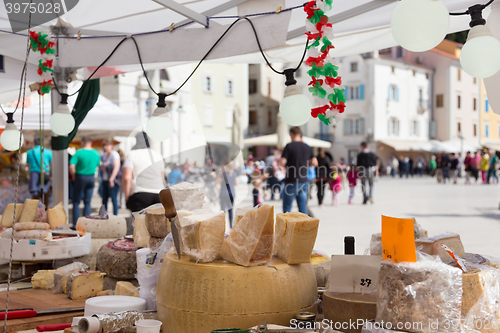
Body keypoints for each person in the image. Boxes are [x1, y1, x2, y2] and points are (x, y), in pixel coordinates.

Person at [122, 132, 165, 213]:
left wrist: (127, 197)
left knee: (140, 223)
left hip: (140, 194)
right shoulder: (157, 155)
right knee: (156, 223)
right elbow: (162, 175)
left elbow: (127, 178)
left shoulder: (132, 154)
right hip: (158, 194)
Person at [280, 127, 318, 214]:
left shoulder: (289, 146)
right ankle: (304, 227)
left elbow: (282, 162)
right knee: (302, 208)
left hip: (291, 180)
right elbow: (315, 163)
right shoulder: (307, 147)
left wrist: (288, 167)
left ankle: (287, 227)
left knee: (287, 209)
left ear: (291, 134)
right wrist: (305, 167)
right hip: (303, 181)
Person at [70, 137, 101, 226]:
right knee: (87, 202)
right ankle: (86, 223)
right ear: (90, 143)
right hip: (91, 177)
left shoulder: (79, 152)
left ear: (82, 142)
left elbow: (72, 166)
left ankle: (76, 223)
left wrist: (73, 176)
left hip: (80, 176)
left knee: (76, 201)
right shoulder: (96, 153)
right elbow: (98, 165)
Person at [26, 137, 52, 205]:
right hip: (45, 175)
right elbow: (51, 164)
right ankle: (46, 214)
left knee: (35, 200)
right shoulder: (48, 152)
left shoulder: (29, 153)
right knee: (46, 199)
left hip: (34, 175)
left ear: (34, 143)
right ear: (42, 143)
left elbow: (28, 165)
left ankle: (36, 214)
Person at [100, 140, 121, 216]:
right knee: (104, 199)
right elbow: (103, 168)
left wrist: (111, 179)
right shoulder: (104, 155)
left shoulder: (114, 155)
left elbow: (117, 167)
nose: (106, 147)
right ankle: (103, 215)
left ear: (111, 145)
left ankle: (115, 215)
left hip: (113, 181)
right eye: (104, 146)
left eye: (107, 145)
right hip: (105, 179)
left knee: (114, 199)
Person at [217, 163, 239, 229]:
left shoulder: (223, 174)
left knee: (223, 210)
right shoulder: (234, 174)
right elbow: (237, 183)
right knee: (230, 210)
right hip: (232, 193)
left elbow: (217, 182)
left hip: (224, 193)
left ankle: (222, 227)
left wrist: (219, 173)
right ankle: (231, 227)